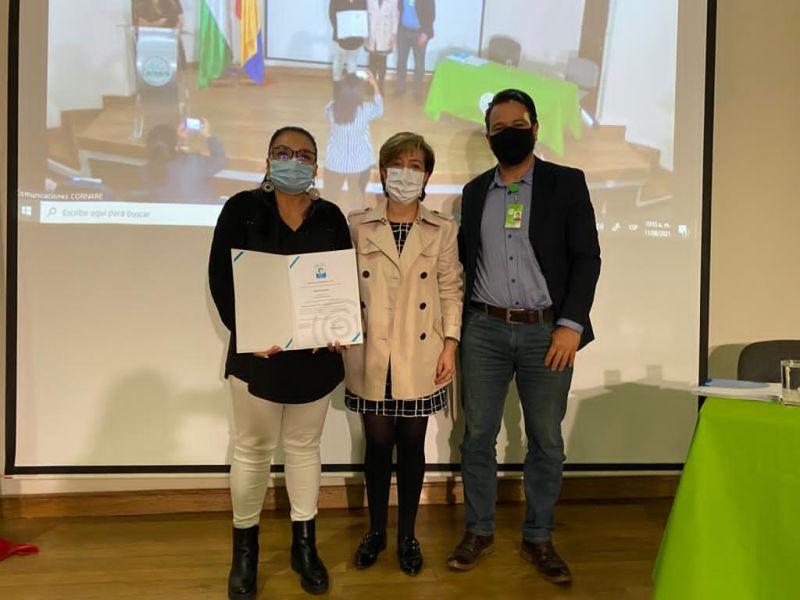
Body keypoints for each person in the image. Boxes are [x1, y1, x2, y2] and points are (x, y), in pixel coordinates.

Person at [448, 89, 601, 584]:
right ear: (489, 135)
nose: (508, 132)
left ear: (535, 129)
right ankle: (479, 530)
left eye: (518, 124)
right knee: (476, 437)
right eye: (498, 127)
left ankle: (538, 535)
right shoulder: (473, 193)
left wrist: (570, 326)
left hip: (549, 334)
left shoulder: (566, 183)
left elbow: (587, 259)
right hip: (485, 330)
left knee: (546, 441)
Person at [208, 126, 352, 599]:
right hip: (257, 358)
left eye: (305, 154)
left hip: (313, 358)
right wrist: (250, 334)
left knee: (304, 449)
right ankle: (244, 554)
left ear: (316, 165)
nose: (294, 160)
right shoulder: (241, 209)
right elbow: (221, 279)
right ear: (268, 159)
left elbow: (340, 282)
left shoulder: (330, 215)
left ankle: (303, 547)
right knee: (251, 450)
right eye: (284, 152)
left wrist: (337, 326)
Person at [344, 132, 463, 575]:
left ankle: (407, 534)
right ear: (381, 171)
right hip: (371, 349)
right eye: (398, 164)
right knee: (377, 444)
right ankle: (375, 530)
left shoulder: (442, 228)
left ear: (428, 174)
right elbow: (340, 288)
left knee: (412, 444)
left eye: (416, 165)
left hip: (422, 351)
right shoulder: (358, 224)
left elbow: (451, 289)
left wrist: (451, 343)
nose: (406, 173)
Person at [324, 71, 383, 215]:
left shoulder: (332, 110)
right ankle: (355, 227)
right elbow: (379, 108)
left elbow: (332, 103)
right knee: (357, 198)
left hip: (334, 163)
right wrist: (374, 84)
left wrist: (341, 93)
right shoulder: (366, 110)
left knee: (329, 198)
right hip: (360, 164)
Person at [144, 119, 226, 203]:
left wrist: (179, 140)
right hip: (200, 212)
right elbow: (220, 161)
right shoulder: (194, 162)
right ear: (175, 144)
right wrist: (208, 135)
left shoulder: (145, 170)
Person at [395, 0, 435, 102]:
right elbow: (398, 9)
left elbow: (431, 15)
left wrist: (425, 34)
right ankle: (400, 88)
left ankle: (417, 91)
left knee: (419, 64)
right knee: (401, 61)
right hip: (403, 31)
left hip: (419, 33)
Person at [329, 0, 368, 81]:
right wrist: (341, 30)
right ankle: (337, 86)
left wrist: (361, 31)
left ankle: (351, 88)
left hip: (355, 39)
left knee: (352, 63)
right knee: (338, 62)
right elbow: (332, 15)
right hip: (340, 38)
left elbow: (364, 15)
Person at [366, 0, 399, 93]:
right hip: (372, 33)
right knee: (372, 62)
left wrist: (394, 34)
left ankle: (380, 86)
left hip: (385, 34)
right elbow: (365, 13)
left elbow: (395, 17)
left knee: (382, 63)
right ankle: (371, 85)